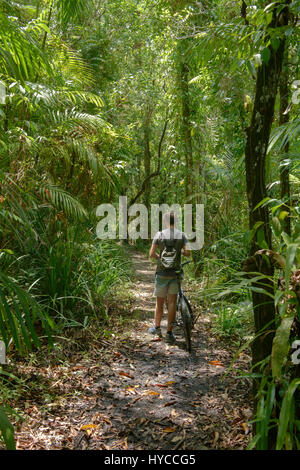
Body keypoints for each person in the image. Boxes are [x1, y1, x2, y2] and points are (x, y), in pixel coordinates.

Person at [149, 212, 190, 343]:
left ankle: (156, 328)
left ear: (165, 222)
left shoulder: (159, 234)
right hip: (175, 273)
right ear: (175, 221)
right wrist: (180, 251)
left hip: (161, 273)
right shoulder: (182, 235)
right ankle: (169, 333)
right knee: (172, 302)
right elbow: (188, 253)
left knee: (159, 302)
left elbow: (151, 253)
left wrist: (160, 259)